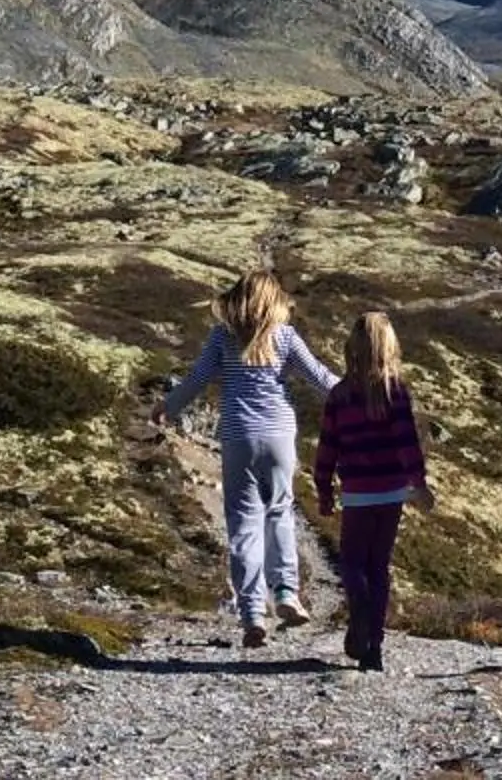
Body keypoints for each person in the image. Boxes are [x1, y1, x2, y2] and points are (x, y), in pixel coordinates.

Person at [159, 270, 337, 647]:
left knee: (243, 523)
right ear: (275, 301)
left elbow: (196, 379)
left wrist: (169, 407)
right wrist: (368, 397)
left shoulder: (222, 337)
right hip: (278, 435)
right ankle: (287, 593)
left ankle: (252, 611)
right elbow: (321, 377)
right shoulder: (286, 337)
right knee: (280, 511)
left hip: (239, 435)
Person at [312, 309, 434, 671]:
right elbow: (407, 443)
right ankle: (374, 649)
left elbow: (327, 448)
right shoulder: (395, 391)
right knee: (379, 565)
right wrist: (419, 483)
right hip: (391, 493)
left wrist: (323, 490)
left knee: (352, 562)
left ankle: (360, 611)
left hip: (357, 493)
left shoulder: (340, 395)